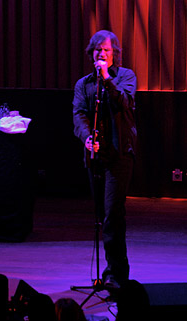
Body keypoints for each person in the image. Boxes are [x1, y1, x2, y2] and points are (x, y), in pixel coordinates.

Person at [73, 30, 137, 290]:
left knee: (113, 214)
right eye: (98, 50)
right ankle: (109, 272)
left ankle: (117, 275)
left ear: (115, 55)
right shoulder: (84, 84)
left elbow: (124, 103)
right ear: (92, 53)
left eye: (107, 51)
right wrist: (87, 137)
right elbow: (79, 114)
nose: (102, 54)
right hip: (95, 155)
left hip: (120, 155)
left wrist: (107, 78)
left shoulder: (125, 77)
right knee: (102, 215)